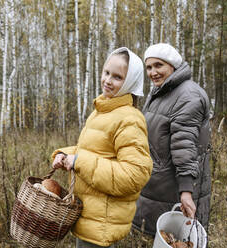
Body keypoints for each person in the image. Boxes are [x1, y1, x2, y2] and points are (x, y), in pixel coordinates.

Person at [51, 47, 153, 248]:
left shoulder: (129, 119)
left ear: (130, 82)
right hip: (89, 215)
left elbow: (135, 175)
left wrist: (79, 162)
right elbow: (95, 151)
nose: (107, 80)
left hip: (102, 223)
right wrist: (65, 155)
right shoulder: (102, 111)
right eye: (106, 72)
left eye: (117, 77)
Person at [132, 43, 211, 237]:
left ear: (173, 65)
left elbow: (184, 146)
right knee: (160, 238)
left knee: (177, 237)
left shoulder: (188, 95)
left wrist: (186, 191)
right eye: (149, 67)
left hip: (174, 187)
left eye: (159, 65)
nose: (153, 72)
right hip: (158, 183)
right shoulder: (160, 91)